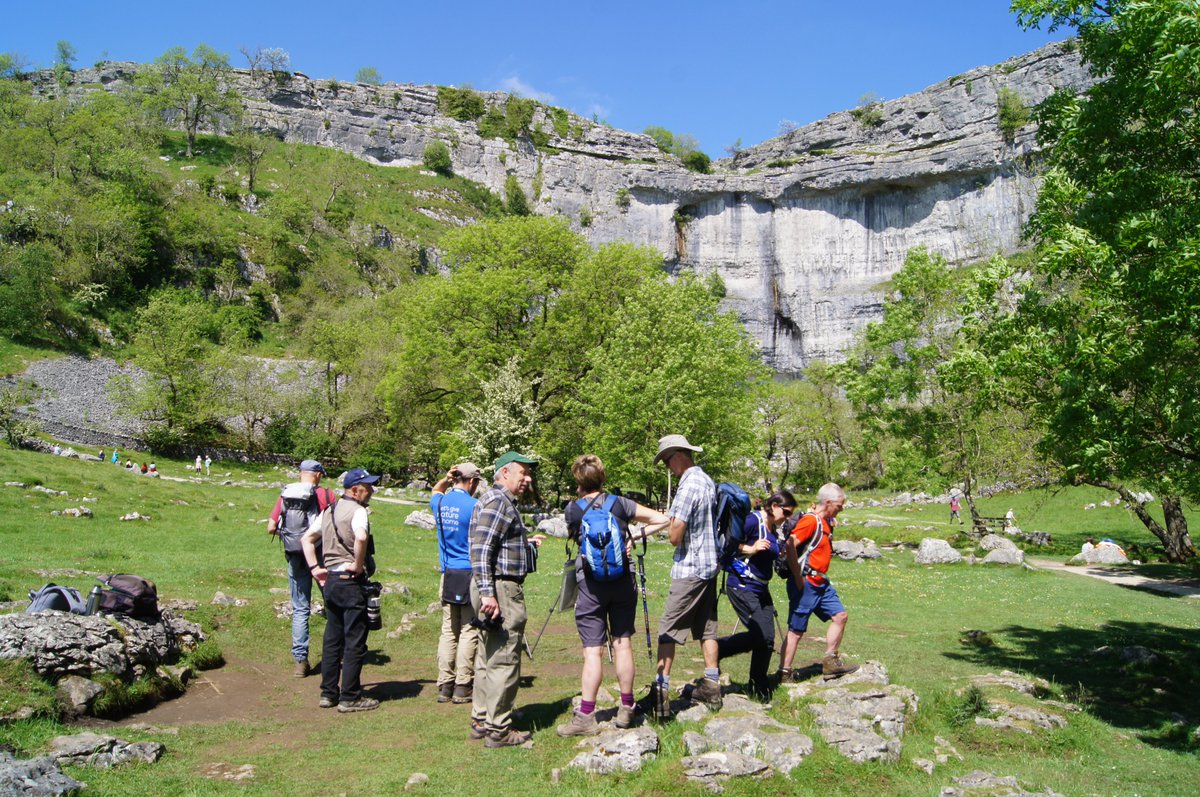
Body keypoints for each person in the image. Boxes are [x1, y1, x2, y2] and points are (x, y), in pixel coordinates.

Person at [556, 454, 669, 737]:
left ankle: (585, 717)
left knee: (592, 650)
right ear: (603, 478)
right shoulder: (620, 504)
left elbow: (574, 538)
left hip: (591, 585)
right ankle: (627, 707)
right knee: (622, 644)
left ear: (578, 481)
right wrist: (633, 538)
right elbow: (663, 519)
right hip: (623, 581)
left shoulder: (573, 509)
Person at [468, 451, 546, 747]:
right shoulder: (499, 501)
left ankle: (482, 719)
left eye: (529, 474)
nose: (528, 479)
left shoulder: (493, 501)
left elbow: (493, 544)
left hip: (494, 586)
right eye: (522, 473)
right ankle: (498, 729)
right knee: (504, 656)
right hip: (500, 589)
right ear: (503, 473)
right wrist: (489, 593)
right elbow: (481, 548)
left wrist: (524, 546)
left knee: (487, 656)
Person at [646, 434, 722, 721]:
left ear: (678, 455)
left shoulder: (688, 485)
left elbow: (675, 536)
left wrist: (671, 529)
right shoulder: (706, 479)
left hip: (690, 568)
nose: (667, 467)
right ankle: (712, 685)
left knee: (668, 629)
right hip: (709, 565)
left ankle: (660, 694)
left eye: (666, 461)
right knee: (707, 627)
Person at [302, 467, 381, 713]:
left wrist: (315, 568)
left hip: (331, 582)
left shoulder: (329, 510)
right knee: (355, 641)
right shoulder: (358, 511)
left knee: (332, 639)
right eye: (367, 487)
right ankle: (350, 696)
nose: (371, 491)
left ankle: (328, 693)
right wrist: (358, 565)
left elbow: (306, 539)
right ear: (355, 489)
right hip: (350, 581)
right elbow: (360, 538)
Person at [716, 489, 797, 700]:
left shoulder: (774, 528)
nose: (787, 518)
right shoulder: (752, 521)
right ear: (775, 506)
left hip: (761, 588)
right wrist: (750, 549)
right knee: (763, 636)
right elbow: (726, 543)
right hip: (742, 586)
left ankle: (758, 686)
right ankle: (718, 649)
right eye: (786, 513)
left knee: (766, 640)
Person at [779, 483, 859, 681]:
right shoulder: (811, 521)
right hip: (807, 583)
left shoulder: (825, 521)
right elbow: (790, 544)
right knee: (796, 630)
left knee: (840, 616)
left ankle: (830, 661)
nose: (841, 508)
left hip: (822, 583)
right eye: (839, 505)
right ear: (829, 502)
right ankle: (784, 672)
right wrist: (798, 577)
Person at [268, 460, 337, 677]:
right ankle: (336, 653)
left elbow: (271, 527)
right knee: (333, 604)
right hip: (320, 555)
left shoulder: (286, 494)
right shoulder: (326, 495)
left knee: (300, 608)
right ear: (317, 475)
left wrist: (291, 538)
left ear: (301, 474)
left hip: (295, 555)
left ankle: (300, 662)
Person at [431, 462, 483, 704]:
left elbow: (435, 491)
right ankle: (463, 684)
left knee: (448, 630)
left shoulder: (440, 503)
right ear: (472, 482)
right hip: (469, 573)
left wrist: (446, 478)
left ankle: (444, 684)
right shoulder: (475, 506)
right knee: (469, 629)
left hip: (448, 573)